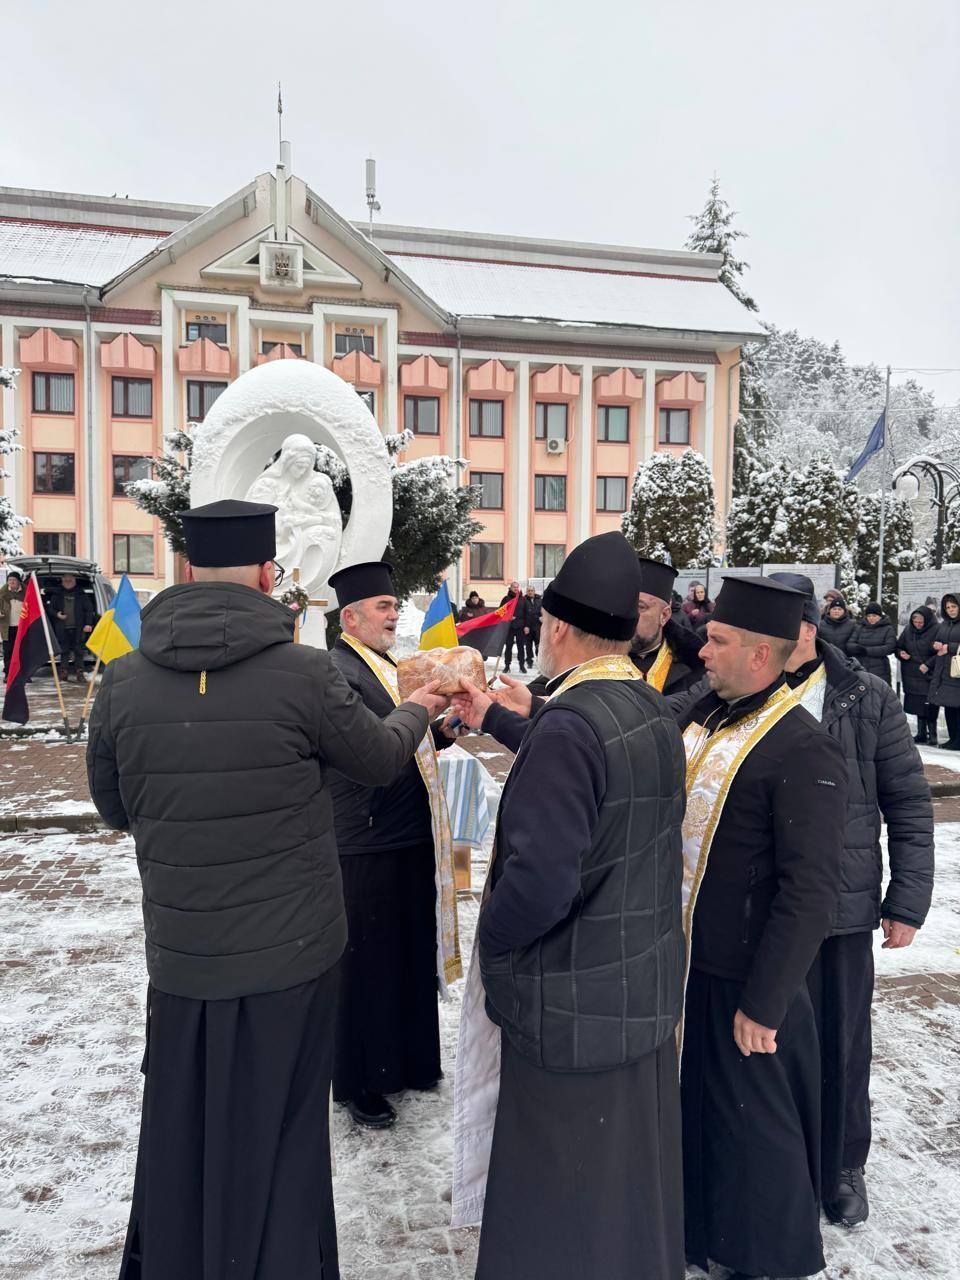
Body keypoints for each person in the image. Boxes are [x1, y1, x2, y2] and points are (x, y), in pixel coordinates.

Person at [86, 499, 446, 1280]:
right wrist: (418, 708)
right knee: (282, 1127)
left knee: (184, 1120)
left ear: (186, 570)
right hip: (292, 955)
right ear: (264, 575)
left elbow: (115, 809)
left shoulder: (121, 682)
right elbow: (380, 761)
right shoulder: (305, 675)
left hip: (182, 959)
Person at [450, 531, 686, 1280]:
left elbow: (540, 883)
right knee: (620, 1192)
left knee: (557, 1201)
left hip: (569, 1004)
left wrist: (494, 945)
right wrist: (496, 715)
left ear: (553, 628)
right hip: (633, 993)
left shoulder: (570, 727)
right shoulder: (648, 709)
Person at [677, 575, 848, 1280]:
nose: (703, 651)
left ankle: (766, 1261)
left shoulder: (801, 747)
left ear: (758, 656)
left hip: (748, 982)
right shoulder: (710, 715)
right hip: (694, 965)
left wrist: (766, 1000)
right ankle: (709, 1240)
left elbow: (809, 891)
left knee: (757, 1132)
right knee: (711, 1122)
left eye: (717, 640)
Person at [770, 571, 934, 1229]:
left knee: (842, 1043)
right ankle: (779, 1164)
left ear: (807, 628)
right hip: (765, 905)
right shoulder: (740, 693)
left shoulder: (866, 699)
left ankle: (842, 1166)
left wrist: (906, 900)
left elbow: (909, 802)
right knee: (769, 1041)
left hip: (842, 909)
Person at [327, 561, 462, 1129]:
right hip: (366, 838)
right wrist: (418, 719)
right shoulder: (338, 673)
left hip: (406, 832)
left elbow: (399, 737)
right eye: (383, 607)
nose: (394, 614)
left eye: (393, 605)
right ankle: (361, 1082)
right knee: (367, 965)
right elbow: (367, 749)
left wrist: (440, 730)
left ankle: (408, 1060)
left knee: (408, 950)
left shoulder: (383, 665)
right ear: (350, 617)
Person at [632, 558, 705, 694]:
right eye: (625, 606)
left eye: (640, 607)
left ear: (664, 615)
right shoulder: (598, 661)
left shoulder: (695, 667)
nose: (629, 615)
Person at [897, 606, 940, 744]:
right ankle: (921, 733)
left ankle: (932, 734)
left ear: (927, 620)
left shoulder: (937, 629)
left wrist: (928, 664)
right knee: (917, 703)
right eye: (915, 622)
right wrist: (900, 653)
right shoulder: (908, 630)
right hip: (912, 671)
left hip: (929, 672)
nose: (918, 624)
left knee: (930, 703)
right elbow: (899, 646)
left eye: (921, 622)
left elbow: (940, 652)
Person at [47, 573, 95, 682]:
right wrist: (57, 614)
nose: (68, 582)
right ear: (62, 582)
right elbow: (50, 609)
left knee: (78, 651)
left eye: (70, 580)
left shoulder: (81, 594)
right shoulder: (56, 594)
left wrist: (88, 624)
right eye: (66, 581)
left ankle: (80, 673)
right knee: (64, 651)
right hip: (62, 627)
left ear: (75, 582)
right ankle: (64, 672)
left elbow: (89, 610)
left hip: (79, 628)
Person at [929, 592, 960, 750]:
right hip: (945, 670)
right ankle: (953, 738)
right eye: (948, 607)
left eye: (954, 606)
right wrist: (936, 645)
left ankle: (958, 740)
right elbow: (939, 640)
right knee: (949, 706)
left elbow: (952, 645)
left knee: (958, 707)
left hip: (958, 671)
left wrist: (950, 648)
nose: (951, 610)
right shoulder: (945, 624)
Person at [848, 602, 896, 684]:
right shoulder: (860, 628)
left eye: (874, 616)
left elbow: (890, 647)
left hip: (880, 669)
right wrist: (857, 649)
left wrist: (867, 650)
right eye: (869, 616)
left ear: (880, 616)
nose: (871, 618)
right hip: (861, 666)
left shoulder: (888, 629)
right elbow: (850, 644)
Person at [0, 568, 25, 681]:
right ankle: (8, 674)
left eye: (14, 580)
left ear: (19, 581)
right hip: (7, 627)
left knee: (22, 650)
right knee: (8, 651)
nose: (11, 582)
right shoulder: (2, 594)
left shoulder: (25, 593)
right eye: (9, 580)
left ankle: (23, 673)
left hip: (22, 627)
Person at [499, 579, 526, 673]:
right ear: (510, 588)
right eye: (514, 587)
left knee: (521, 647)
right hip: (509, 627)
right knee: (508, 647)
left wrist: (526, 626)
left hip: (520, 626)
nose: (515, 589)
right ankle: (507, 665)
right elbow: (501, 611)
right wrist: (508, 617)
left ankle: (522, 665)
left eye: (517, 587)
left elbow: (526, 613)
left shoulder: (523, 599)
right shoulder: (506, 599)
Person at [521, 583, 541, 668]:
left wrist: (542, 617)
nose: (530, 592)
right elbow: (523, 614)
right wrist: (525, 626)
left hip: (537, 627)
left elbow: (543, 611)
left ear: (534, 591)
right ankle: (529, 661)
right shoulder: (523, 600)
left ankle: (539, 661)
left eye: (532, 591)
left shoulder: (540, 600)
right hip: (527, 627)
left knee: (538, 645)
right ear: (527, 592)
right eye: (528, 591)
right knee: (528, 646)